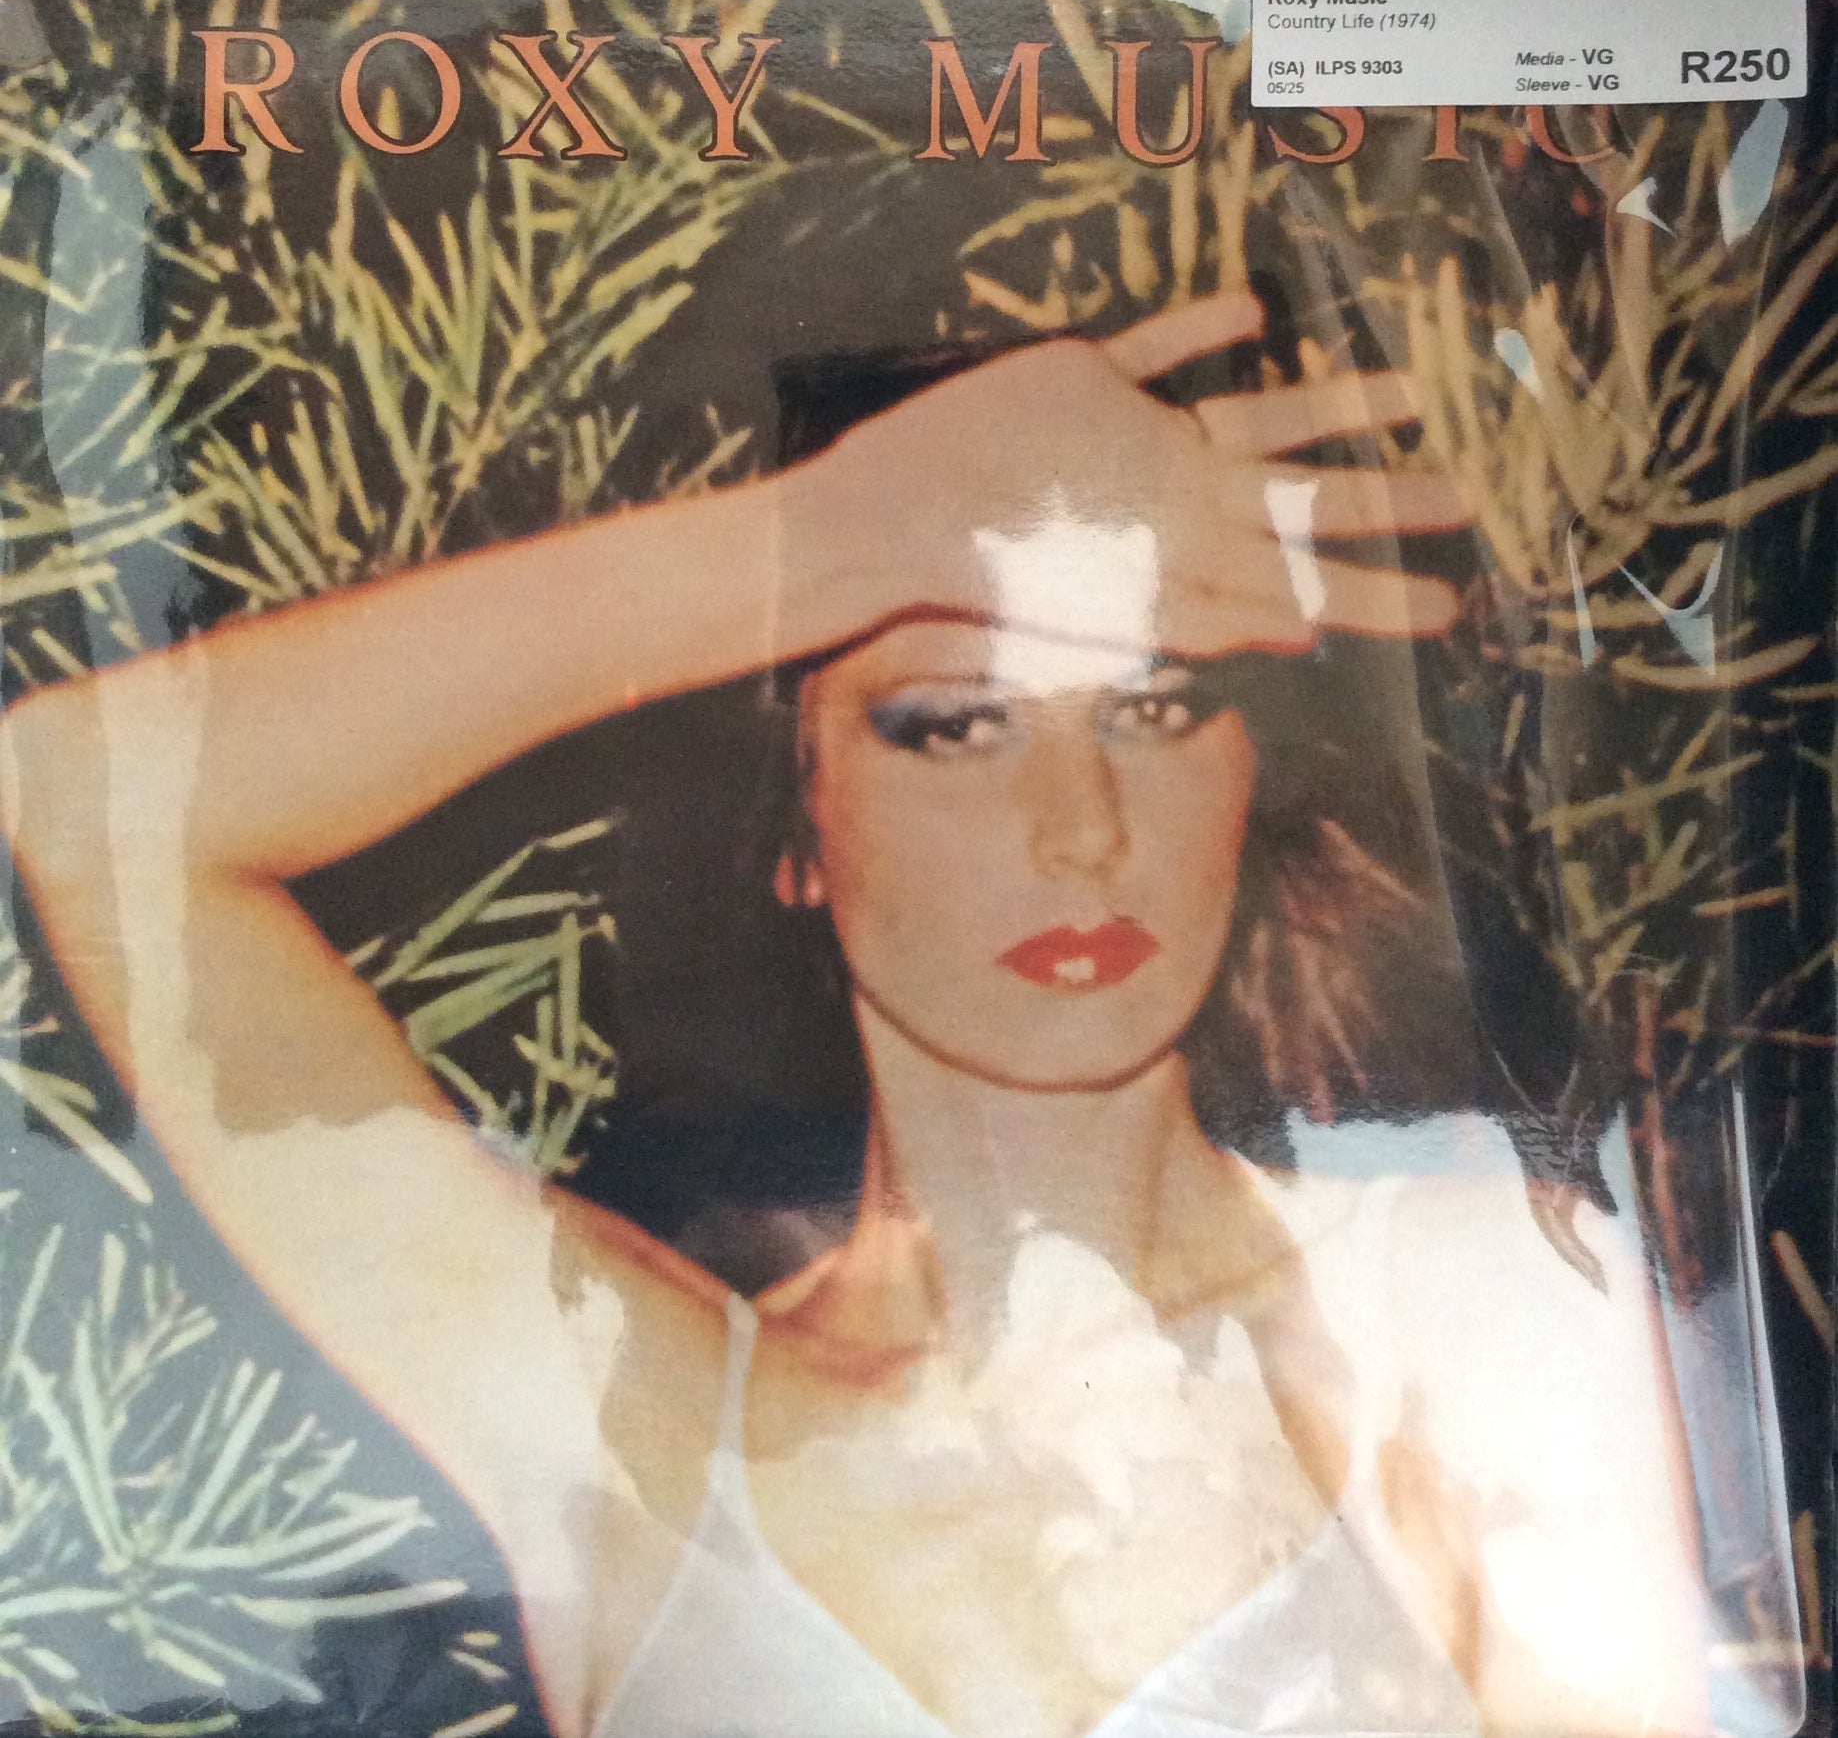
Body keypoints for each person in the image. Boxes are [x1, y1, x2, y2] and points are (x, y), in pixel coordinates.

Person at [0, 292, 1710, 1738]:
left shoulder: (1468, 1305)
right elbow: (81, 801)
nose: (1078, 829)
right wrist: (828, 539)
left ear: (1254, 775)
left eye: (1149, 709)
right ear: (796, 830)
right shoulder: (621, 1413)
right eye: (951, 726)